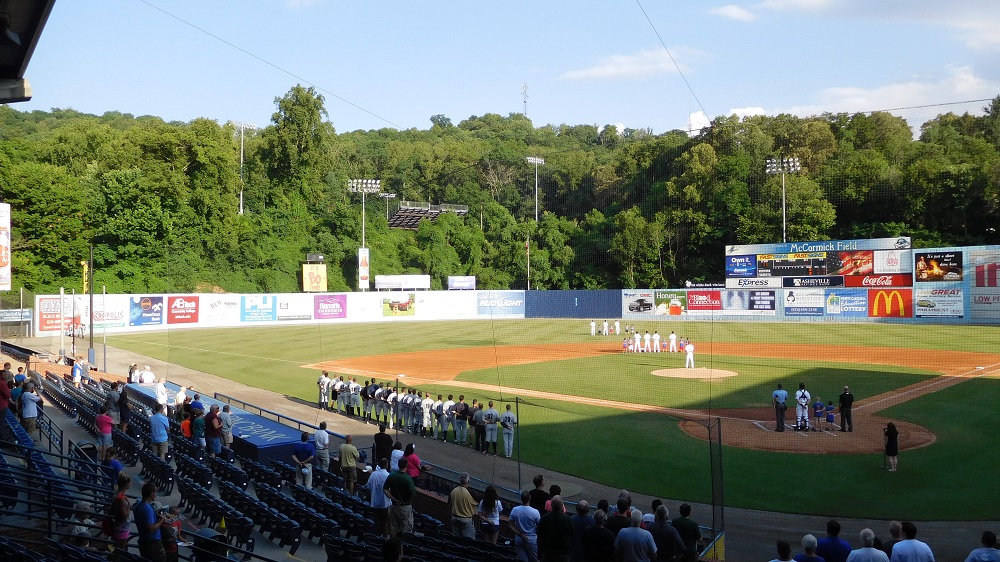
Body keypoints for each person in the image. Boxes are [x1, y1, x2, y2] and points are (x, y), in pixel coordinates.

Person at [134, 481, 167, 562]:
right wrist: (162, 520)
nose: (156, 494)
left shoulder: (138, 505)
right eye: (155, 492)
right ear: (151, 493)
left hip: (144, 540)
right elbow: (151, 529)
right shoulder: (147, 509)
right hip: (152, 543)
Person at [383, 458, 416, 537]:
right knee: (407, 530)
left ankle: (393, 544)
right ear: (406, 466)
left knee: (393, 529)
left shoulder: (392, 475)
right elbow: (413, 494)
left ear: (398, 465)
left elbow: (385, 489)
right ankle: (403, 544)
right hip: (405, 507)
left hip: (394, 506)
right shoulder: (408, 479)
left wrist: (393, 499)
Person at [537, 495, 574, 562]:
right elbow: (573, 536)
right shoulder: (568, 520)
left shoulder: (544, 518)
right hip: (563, 555)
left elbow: (539, 536)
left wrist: (539, 554)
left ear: (551, 505)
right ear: (562, 506)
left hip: (548, 554)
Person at [510, 490, 541, 562]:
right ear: (530, 498)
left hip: (519, 539)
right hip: (531, 539)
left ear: (521, 499)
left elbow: (511, 525)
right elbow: (539, 526)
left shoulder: (515, 510)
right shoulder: (535, 512)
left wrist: (520, 534)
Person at [365, 458, 392, 538]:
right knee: (386, 521)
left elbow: (368, 488)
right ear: (386, 465)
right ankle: (384, 538)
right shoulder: (388, 476)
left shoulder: (373, 474)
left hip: (374, 503)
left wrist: (370, 499)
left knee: (377, 520)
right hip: (385, 503)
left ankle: (377, 537)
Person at [448, 471, 478, 539]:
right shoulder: (470, 492)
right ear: (468, 481)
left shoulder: (453, 490)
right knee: (469, 541)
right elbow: (481, 501)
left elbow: (449, 503)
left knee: (456, 540)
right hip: (466, 519)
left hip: (454, 518)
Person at [108, 472, 133, 551]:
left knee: (116, 549)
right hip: (121, 529)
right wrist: (129, 506)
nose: (130, 484)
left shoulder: (118, 495)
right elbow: (124, 516)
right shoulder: (120, 499)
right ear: (126, 484)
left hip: (120, 527)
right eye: (129, 482)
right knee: (119, 550)